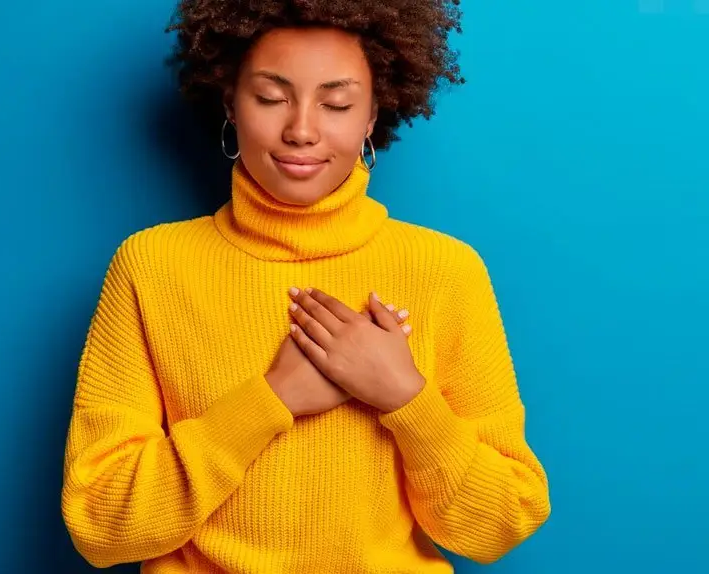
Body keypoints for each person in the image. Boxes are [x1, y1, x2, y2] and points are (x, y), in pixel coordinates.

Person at [60, 1, 551, 572]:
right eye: (270, 98)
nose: (301, 130)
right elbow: (100, 524)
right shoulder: (152, 266)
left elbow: (499, 524)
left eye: (337, 103)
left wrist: (406, 399)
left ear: (372, 116)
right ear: (230, 102)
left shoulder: (445, 270)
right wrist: (269, 401)